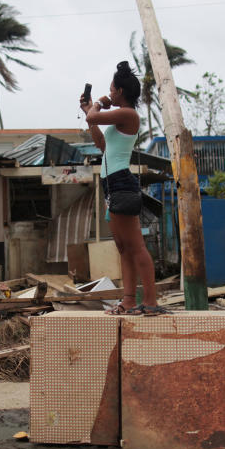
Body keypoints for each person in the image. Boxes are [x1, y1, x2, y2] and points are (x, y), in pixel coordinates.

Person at [80, 61, 167, 316]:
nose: (109, 94)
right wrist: (88, 110)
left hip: (121, 182)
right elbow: (101, 144)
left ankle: (150, 302)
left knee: (136, 246)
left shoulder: (128, 114)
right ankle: (129, 301)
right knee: (123, 247)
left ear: (119, 91)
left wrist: (97, 104)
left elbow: (94, 115)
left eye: (111, 90)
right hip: (112, 184)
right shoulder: (120, 119)